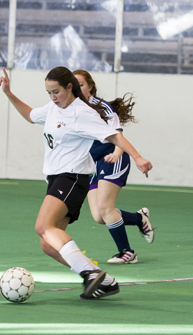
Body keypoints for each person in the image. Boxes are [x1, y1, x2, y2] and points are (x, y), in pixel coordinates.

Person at [0, 66, 152, 299]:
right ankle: (103, 280)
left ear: (70, 87)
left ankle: (90, 273)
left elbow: (115, 135)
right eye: (48, 92)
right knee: (48, 244)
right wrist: (8, 93)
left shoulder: (82, 112)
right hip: (56, 179)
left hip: (72, 178)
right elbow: (30, 115)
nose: (52, 97)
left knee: (42, 226)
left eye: (56, 91)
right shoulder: (53, 108)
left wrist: (138, 157)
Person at [73, 69, 154, 265]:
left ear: (90, 86)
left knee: (105, 207)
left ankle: (127, 252)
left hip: (112, 157)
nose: (78, 88)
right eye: (74, 85)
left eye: (81, 84)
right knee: (99, 216)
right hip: (93, 164)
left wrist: (118, 153)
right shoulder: (71, 108)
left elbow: (117, 133)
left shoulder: (101, 107)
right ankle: (139, 218)